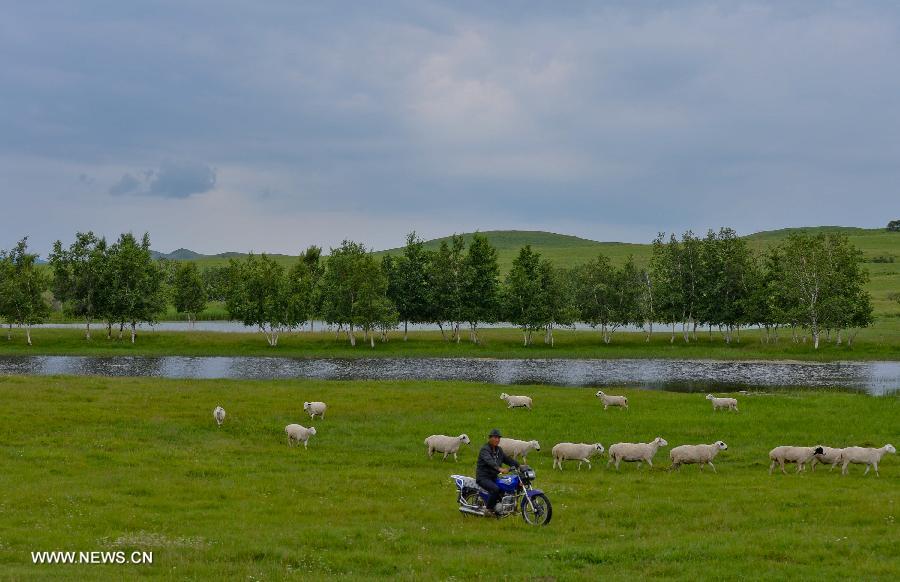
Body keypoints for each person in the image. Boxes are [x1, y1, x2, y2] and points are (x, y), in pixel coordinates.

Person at [476, 428, 519, 516]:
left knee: (505, 487)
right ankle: (488, 509)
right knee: (495, 489)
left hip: (493, 477)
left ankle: (502, 508)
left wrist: (519, 466)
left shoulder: (499, 450)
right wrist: (500, 469)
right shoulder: (485, 450)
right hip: (483, 477)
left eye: (498, 438)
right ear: (490, 438)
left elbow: (507, 460)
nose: (497, 440)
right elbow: (490, 461)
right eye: (495, 437)